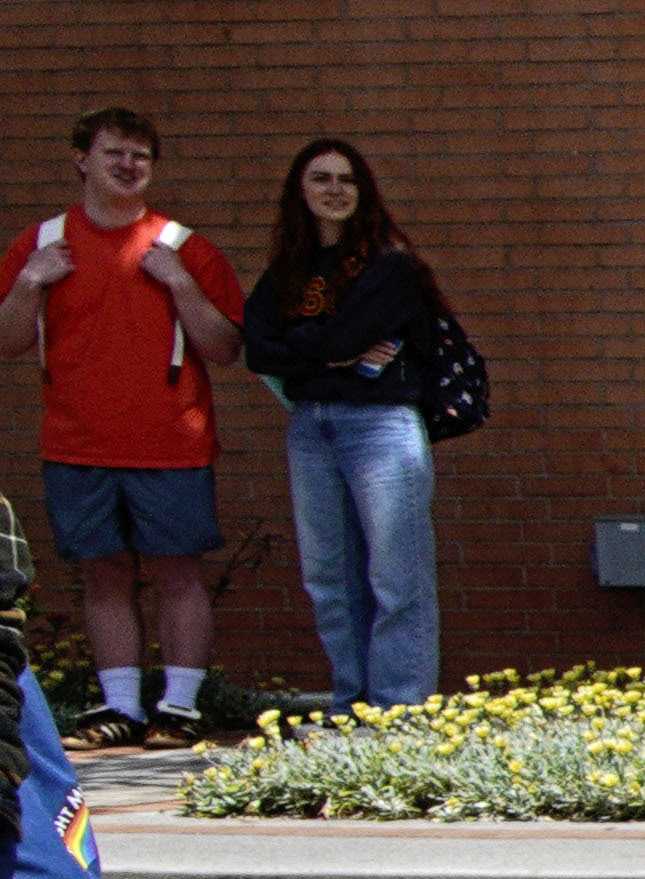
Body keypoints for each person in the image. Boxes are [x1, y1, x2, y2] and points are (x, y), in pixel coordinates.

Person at [12, 106, 242, 745]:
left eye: (140, 155)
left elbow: (225, 347)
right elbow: (7, 340)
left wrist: (181, 285)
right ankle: (120, 708)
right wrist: (30, 282)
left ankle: (180, 707)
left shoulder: (183, 247)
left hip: (171, 442)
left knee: (177, 573)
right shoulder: (43, 243)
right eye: (114, 152)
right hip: (77, 443)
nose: (127, 164)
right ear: (82, 159)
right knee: (103, 574)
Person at [236, 138, 462, 710]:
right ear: (300, 191)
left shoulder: (390, 265)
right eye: (321, 178)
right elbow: (259, 348)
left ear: (363, 192)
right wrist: (332, 355)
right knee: (329, 580)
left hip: (380, 427)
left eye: (347, 179)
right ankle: (352, 704)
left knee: (396, 576)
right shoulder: (288, 272)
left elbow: (338, 337)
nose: (335, 190)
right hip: (311, 428)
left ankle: (398, 708)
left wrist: (311, 348)